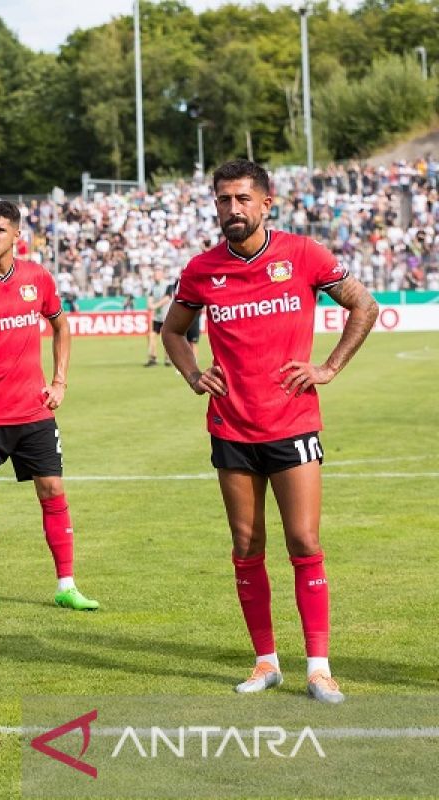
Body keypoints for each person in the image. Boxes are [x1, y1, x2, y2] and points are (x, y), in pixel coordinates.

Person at [162, 159, 378, 704]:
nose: (230, 210)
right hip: (231, 427)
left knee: (304, 541)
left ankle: (319, 668)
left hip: (293, 424)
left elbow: (364, 306)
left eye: (240, 199)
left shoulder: (304, 255)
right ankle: (265, 662)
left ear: (266, 203)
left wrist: (327, 368)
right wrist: (193, 373)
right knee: (246, 544)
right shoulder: (202, 270)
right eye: (222, 200)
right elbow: (174, 330)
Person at [0, 200, 99, 613]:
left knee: (53, 490)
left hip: (34, 414)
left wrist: (60, 380)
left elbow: (61, 325)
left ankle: (66, 583)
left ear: (17, 236)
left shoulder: (37, 278)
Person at [144, 266, 172, 366]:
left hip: (167, 316)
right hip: (157, 317)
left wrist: (154, 306)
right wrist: (150, 305)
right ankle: (153, 358)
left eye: (157, 273)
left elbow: (167, 298)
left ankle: (168, 358)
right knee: (151, 335)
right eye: (154, 274)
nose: (155, 275)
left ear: (162, 274)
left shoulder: (168, 285)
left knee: (167, 338)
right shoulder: (152, 286)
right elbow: (150, 298)